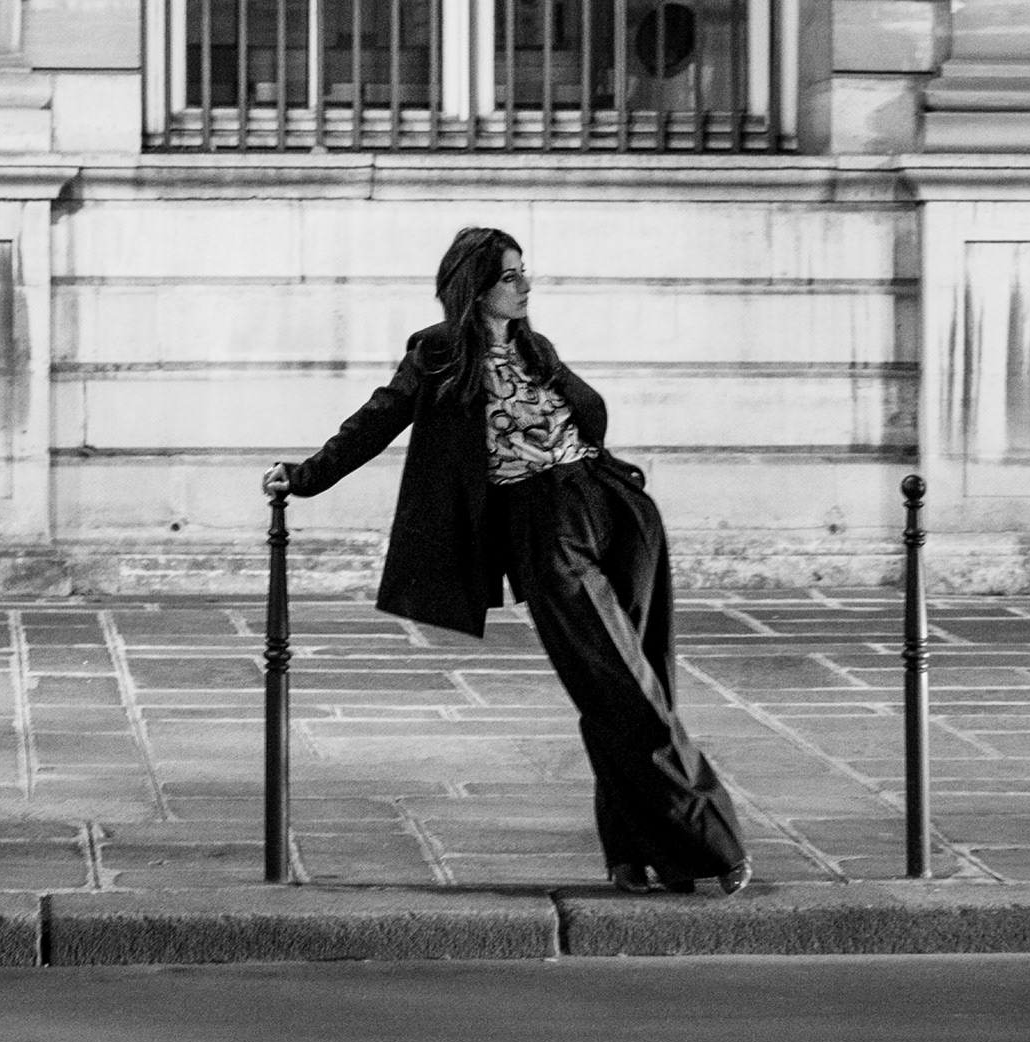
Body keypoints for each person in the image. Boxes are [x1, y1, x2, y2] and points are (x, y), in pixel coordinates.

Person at [268, 225, 752, 894]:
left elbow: (581, 419)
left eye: (524, 272)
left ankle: (638, 852)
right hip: (543, 527)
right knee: (622, 686)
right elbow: (374, 422)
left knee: (634, 682)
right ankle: (713, 839)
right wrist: (304, 476)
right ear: (476, 288)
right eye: (509, 276)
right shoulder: (438, 356)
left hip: (615, 509)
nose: (526, 285)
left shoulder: (535, 346)